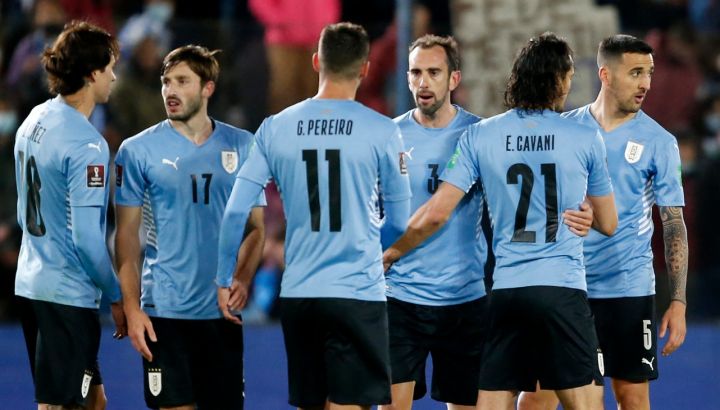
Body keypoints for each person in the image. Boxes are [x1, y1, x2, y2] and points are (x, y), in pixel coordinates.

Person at [383, 32, 619, 410]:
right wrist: (588, 213)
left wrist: (391, 251)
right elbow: (608, 223)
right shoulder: (584, 135)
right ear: (560, 79)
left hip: (507, 291)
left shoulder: (481, 134)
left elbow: (437, 210)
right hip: (562, 288)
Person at [216, 22, 412, 410]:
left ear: (315, 62)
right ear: (365, 69)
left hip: (301, 293)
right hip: (357, 292)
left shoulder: (275, 128)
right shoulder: (383, 131)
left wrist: (226, 277)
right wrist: (377, 254)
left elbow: (236, 209)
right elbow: (398, 221)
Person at [518, 34, 688, 410]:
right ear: (605, 75)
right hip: (569, 288)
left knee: (631, 397)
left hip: (628, 288)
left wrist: (678, 301)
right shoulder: (565, 130)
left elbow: (673, 223)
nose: (646, 83)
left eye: (649, 73)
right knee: (536, 398)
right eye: (635, 73)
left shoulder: (659, 142)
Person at [114, 45, 265, 410]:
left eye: (182, 81)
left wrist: (243, 278)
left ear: (207, 88)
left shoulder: (243, 145)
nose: (170, 90)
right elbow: (126, 237)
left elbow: (256, 228)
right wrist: (132, 308)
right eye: (166, 81)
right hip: (163, 311)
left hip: (221, 313)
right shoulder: (137, 151)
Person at [13, 21, 124, 409]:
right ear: (92, 73)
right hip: (66, 295)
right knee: (58, 405)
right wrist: (116, 294)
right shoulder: (87, 145)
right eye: (110, 68)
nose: (114, 77)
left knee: (94, 401)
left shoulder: (34, 119)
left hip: (32, 282)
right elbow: (88, 241)